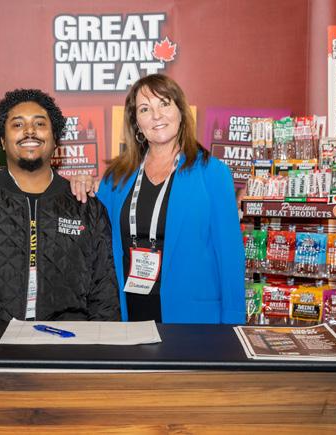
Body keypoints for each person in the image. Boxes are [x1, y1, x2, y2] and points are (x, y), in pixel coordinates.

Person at [71, 74, 244, 324]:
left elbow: (230, 255)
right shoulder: (117, 177)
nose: (156, 115)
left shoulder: (212, 173)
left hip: (193, 318)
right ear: (136, 123)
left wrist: (233, 321)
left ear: (181, 111)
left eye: (164, 103)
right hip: (129, 310)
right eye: (145, 109)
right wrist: (81, 184)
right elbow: (95, 240)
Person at [0, 89, 120, 324]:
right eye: (18, 125)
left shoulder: (84, 204)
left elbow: (104, 290)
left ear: (55, 138)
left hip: (69, 340)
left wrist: (102, 342)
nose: (30, 131)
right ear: (2, 140)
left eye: (40, 124)